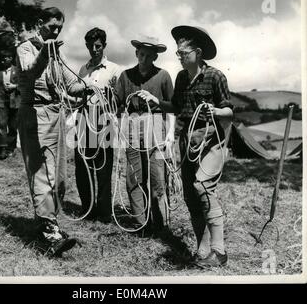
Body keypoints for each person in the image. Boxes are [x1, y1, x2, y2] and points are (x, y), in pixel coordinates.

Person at [138, 26, 234, 268]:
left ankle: (219, 251)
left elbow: (229, 110)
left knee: (202, 186)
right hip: (187, 141)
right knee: (191, 196)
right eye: (177, 53)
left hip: (211, 140)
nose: (178, 56)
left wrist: (216, 111)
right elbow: (178, 107)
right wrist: (157, 102)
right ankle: (202, 250)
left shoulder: (215, 76)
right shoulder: (181, 78)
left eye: (183, 52)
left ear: (198, 52)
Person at [15, 7, 93, 256]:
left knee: (59, 177)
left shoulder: (56, 53)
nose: (56, 31)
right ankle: (47, 234)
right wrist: (45, 55)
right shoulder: (25, 48)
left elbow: (70, 83)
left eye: (59, 27)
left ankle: (50, 224)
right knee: (42, 175)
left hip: (56, 115)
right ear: (40, 23)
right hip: (34, 115)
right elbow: (29, 72)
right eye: (51, 26)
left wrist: (88, 88)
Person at [115, 36, 175, 236]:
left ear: (155, 57)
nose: (144, 58)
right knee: (134, 176)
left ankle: (161, 225)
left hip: (157, 126)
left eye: (149, 55)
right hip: (132, 127)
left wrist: (171, 133)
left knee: (157, 176)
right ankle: (141, 224)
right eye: (141, 54)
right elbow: (117, 104)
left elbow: (173, 106)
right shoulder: (125, 76)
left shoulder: (163, 76)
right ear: (136, 53)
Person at [75, 27, 121, 223]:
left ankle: (104, 213)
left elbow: (119, 99)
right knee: (83, 166)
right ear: (86, 46)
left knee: (103, 166)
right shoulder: (83, 69)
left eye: (98, 46)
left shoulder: (114, 69)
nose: (94, 50)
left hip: (104, 122)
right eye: (90, 46)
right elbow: (76, 94)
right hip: (84, 120)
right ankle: (87, 209)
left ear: (104, 45)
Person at [0, 50, 20, 160]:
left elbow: (24, 85)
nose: (3, 61)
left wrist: (14, 86)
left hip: (15, 102)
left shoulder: (17, 70)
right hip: (1, 101)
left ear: (11, 58)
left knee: (13, 127)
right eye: (2, 59)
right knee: (1, 125)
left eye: (5, 58)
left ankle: (11, 149)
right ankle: (2, 150)